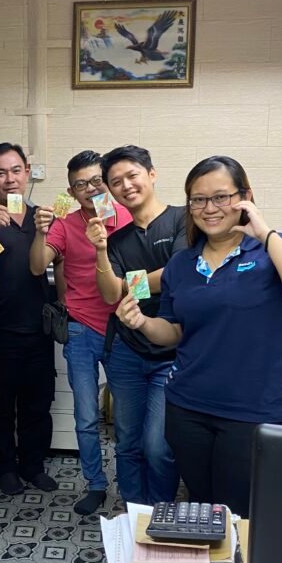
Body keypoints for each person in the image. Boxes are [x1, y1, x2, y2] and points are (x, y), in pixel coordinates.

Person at [116, 155, 282, 517]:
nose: (209, 208)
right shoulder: (182, 264)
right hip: (188, 406)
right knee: (201, 503)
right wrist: (141, 323)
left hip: (252, 409)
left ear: (245, 196)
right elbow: (174, 331)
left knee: (239, 511)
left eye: (221, 197)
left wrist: (264, 233)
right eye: (198, 199)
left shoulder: (274, 248)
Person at [29, 150, 130, 515]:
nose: (90, 189)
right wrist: (42, 231)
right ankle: (96, 485)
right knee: (86, 416)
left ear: (107, 182)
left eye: (96, 181)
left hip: (123, 330)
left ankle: (130, 487)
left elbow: (144, 272)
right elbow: (38, 266)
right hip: (81, 329)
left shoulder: (127, 217)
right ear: (71, 192)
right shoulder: (66, 224)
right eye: (80, 184)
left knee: (127, 419)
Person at [87, 145, 186, 505]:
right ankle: (133, 512)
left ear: (151, 174)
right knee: (127, 441)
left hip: (172, 351)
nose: (126, 185)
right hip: (126, 351)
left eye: (132, 175)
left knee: (159, 446)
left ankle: (159, 514)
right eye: (116, 182)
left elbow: (177, 273)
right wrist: (100, 250)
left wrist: (128, 283)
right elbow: (109, 293)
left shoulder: (182, 220)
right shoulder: (116, 240)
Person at [0, 143, 56, 496]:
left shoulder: (42, 219)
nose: (10, 179)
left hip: (38, 329)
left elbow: (59, 261)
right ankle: (4, 467)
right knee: (0, 406)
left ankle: (33, 466)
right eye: (0, 173)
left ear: (27, 172)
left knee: (38, 404)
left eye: (16, 170)